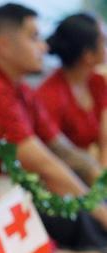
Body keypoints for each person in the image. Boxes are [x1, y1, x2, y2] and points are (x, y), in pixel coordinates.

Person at [0, 2, 107, 253]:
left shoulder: (19, 88)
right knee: (79, 217)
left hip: (24, 186)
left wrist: (98, 187)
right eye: (34, 37)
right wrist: (99, 209)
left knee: (86, 207)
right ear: (4, 44)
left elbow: (63, 151)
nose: (44, 47)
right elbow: (43, 164)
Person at [37, 13, 107, 166]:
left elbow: (105, 140)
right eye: (103, 42)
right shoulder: (49, 95)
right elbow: (52, 156)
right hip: (64, 173)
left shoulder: (97, 82)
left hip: (90, 170)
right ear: (88, 55)